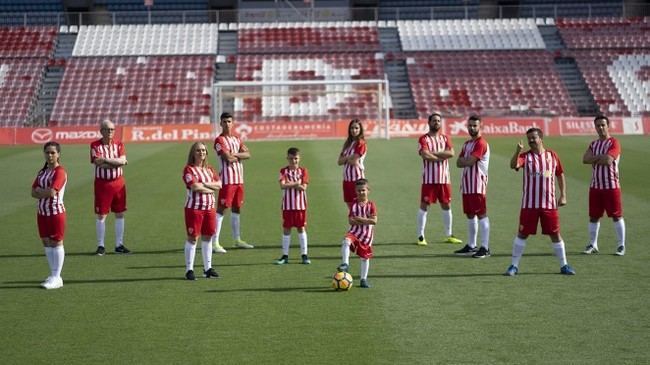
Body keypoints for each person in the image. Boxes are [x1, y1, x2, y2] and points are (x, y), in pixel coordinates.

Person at [504, 127, 576, 276]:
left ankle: (564, 265)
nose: (531, 140)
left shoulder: (552, 156)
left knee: (555, 235)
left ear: (541, 138)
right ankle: (513, 266)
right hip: (529, 205)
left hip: (549, 205)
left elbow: (560, 174)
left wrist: (563, 195)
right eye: (529, 138)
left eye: (533, 137)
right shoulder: (526, 156)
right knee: (522, 234)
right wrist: (517, 151)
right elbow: (513, 165)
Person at [416, 112, 463, 246]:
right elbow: (425, 155)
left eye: (438, 121)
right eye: (434, 121)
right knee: (424, 206)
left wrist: (434, 154)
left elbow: (451, 153)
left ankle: (449, 234)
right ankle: (420, 236)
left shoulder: (445, 138)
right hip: (429, 180)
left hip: (444, 179)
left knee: (446, 205)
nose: (436, 123)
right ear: (429, 122)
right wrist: (441, 156)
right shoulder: (423, 139)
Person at [582, 115, 626, 256]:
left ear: (608, 126)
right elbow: (585, 159)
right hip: (595, 186)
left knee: (616, 216)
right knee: (594, 217)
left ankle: (621, 245)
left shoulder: (614, 143)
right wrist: (599, 157)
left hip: (611, 185)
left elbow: (608, 160)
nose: (600, 128)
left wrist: (594, 159)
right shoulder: (593, 144)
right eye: (598, 125)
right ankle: (593, 244)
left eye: (603, 125)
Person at [212, 112, 253, 252]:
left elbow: (248, 155)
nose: (227, 124)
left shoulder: (237, 139)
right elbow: (227, 158)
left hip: (239, 180)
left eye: (229, 121)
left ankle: (237, 239)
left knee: (237, 208)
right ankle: (214, 242)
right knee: (221, 209)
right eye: (224, 121)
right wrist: (237, 155)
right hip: (227, 180)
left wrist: (233, 154)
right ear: (220, 123)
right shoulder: (219, 140)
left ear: (232, 123)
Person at [90, 119, 130, 255]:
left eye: (112, 129)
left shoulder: (119, 144)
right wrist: (116, 162)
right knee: (102, 214)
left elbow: (122, 160)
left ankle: (119, 244)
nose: (110, 132)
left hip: (118, 183)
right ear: (101, 131)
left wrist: (107, 160)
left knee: (120, 213)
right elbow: (98, 163)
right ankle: (101, 245)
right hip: (102, 184)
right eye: (107, 129)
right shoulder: (95, 145)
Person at [182, 142, 221, 280]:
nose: (201, 153)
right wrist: (210, 188)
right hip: (194, 209)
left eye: (203, 150)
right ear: (193, 153)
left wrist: (203, 184)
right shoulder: (189, 170)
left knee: (208, 237)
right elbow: (194, 187)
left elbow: (219, 184)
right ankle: (189, 270)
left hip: (209, 208)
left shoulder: (210, 170)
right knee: (193, 239)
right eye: (198, 150)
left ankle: (207, 268)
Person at [32, 141, 67, 289]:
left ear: (58, 154)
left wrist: (41, 191)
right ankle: (53, 274)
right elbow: (32, 192)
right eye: (47, 152)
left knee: (56, 242)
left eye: (53, 152)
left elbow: (53, 192)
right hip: (42, 212)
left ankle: (57, 277)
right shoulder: (42, 172)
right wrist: (42, 192)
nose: (50, 155)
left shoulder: (60, 172)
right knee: (46, 242)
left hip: (55, 212)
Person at [454, 115, 491, 258]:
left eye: (475, 126)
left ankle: (485, 247)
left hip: (477, 185)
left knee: (481, 214)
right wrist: (465, 160)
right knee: (470, 215)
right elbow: (458, 162)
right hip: (467, 185)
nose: (472, 128)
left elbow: (469, 161)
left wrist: (466, 160)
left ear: (480, 126)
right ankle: (471, 245)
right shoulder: (467, 144)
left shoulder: (481, 143)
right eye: (470, 125)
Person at [336, 179, 377, 288]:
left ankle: (363, 279)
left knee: (364, 258)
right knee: (346, 241)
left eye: (363, 190)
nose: (361, 193)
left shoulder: (371, 205)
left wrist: (359, 219)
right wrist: (365, 220)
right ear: (355, 191)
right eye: (358, 191)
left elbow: (374, 221)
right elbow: (350, 221)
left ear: (368, 191)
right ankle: (345, 264)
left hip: (367, 235)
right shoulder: (354, 204)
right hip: (354, 232)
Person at [275, 147, 311, 265]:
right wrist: (297, 183)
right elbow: (282, 186)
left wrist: (289, 184)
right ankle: (285, 256)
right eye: (291, 158)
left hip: (300, 206)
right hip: (287, 206)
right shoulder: (283, 171)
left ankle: (304, 255)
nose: (293, 161)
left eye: (295, 158)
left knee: (301, 228)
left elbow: (304, 187)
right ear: (287, 158)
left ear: (299, 158)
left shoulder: (303, 171)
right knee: (286, 229)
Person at [337, 119, 367, 208]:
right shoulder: (347, 144)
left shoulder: (361, 143)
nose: (354, 130)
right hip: (346, 180)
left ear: (360, 129)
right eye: (352, 128)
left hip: (357, 179)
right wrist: (348, 158)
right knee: (350, 207)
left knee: (359, 207)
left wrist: (345, 159)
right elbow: (339, 162)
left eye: (356, 128)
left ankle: (363, 222)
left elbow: (354, 161)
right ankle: (354, 222)